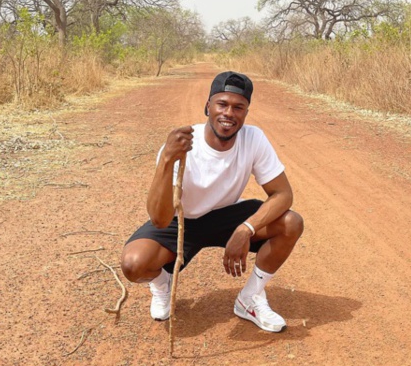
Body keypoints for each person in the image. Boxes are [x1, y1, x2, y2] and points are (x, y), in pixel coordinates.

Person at [120, 71, 304, 332]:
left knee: (291, 223)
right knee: (134, 265)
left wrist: (245, 229)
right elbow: (160, 219)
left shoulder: (253, 138)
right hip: (184, 219)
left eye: (238, 107)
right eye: (222, 104)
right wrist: (166, 160)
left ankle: (249, 298)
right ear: (208, 107)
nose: (229, 113)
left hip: (228, 216)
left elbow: (283, 194)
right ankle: (163, 283)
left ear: (246, 113)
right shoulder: (182, 147)